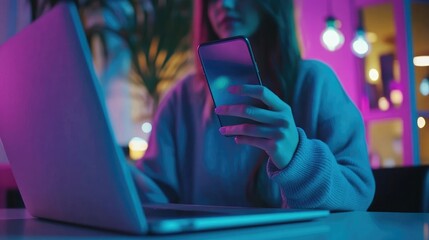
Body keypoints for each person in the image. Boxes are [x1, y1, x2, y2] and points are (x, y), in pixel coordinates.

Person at [130, 0, 375, 210]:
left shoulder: (315, 83)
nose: (223, 4)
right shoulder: (180, 99)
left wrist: (296, 159)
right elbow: (153, 193)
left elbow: (358, 192)